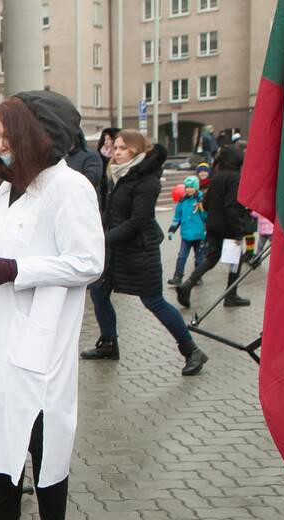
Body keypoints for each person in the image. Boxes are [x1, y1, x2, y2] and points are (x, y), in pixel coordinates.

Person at [0, 91, 105, 520]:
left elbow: (88, 261)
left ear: (35, 135)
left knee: (45, 435)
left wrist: (18, 269)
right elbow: (3, 247)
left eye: (6, 138)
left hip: (42, 333)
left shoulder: (70, 188)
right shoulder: (4, 191)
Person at [80, 128, 208, 375]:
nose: (116, 152)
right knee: (98, 291)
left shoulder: (146, 180)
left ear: (136, 150)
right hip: (115, 249)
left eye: (122, 148)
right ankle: (108, 343)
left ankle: (192, 350)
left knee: (154, 301)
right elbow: (111, 212)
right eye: (114, 147)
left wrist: (102, 239)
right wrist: (96, 231)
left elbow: (138, 221)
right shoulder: (118, 175)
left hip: (140, 251)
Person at [175, 145, 252, 309]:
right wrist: (238, 231)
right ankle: (231, 295)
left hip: (213, 226)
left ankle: (187, 284)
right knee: (234, 261)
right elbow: (231, 206)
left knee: (211, 258)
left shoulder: (217, 177)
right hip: (229, 228)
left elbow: (207, 203)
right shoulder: (235, 178)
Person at [167, 175, 206, 286]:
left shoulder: (201, 200)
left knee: (199, 257)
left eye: (191, 187)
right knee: (182, 256)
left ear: (196, 188)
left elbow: (206, 216)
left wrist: (202, 209)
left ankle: (197, 277)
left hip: (199, 234)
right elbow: (177, 217)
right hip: (186, 235)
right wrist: (172, 230)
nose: (189, 189)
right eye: (187, 187)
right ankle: (177, 276)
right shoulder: (182, 201)